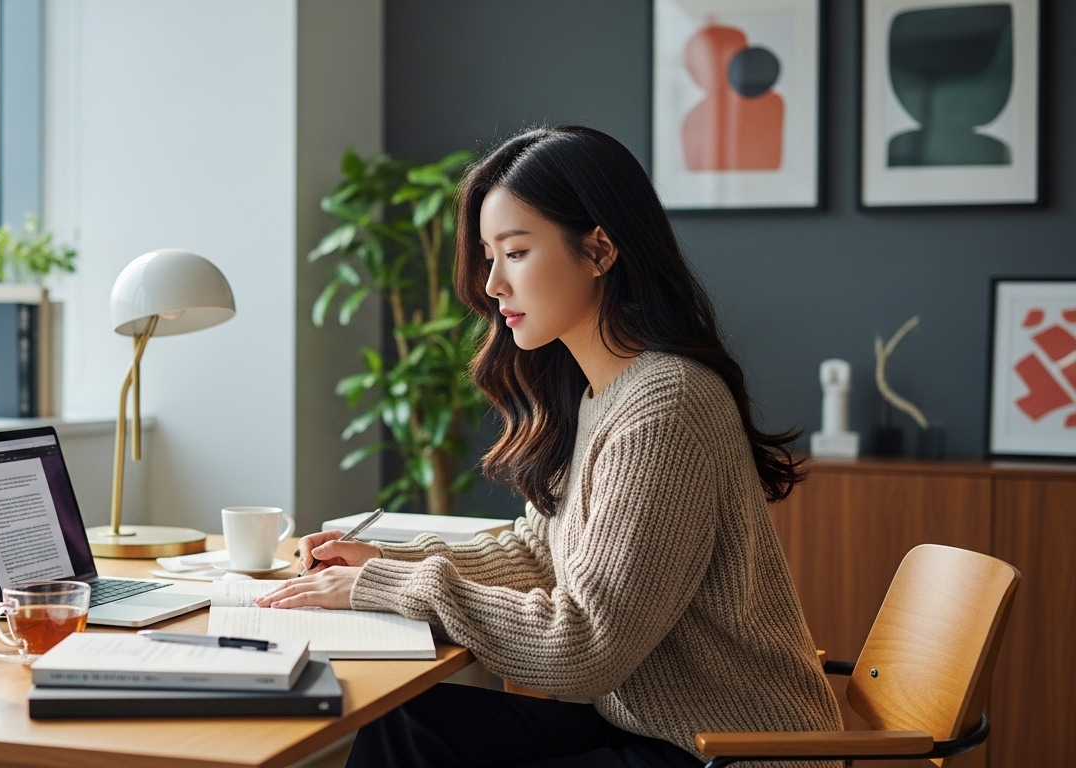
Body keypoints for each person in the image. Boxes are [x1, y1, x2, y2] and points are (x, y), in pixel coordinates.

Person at [255, 126, 843, 767]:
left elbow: (584, 646)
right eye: (487, 256)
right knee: (411, 728)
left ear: (599, 250)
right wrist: (381, 559)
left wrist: (393, 587)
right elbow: (539, 552)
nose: (492, 285)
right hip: (651, 730)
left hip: (729, 753)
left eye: (515, 252)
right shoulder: (599, 394)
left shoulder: (664, 407)